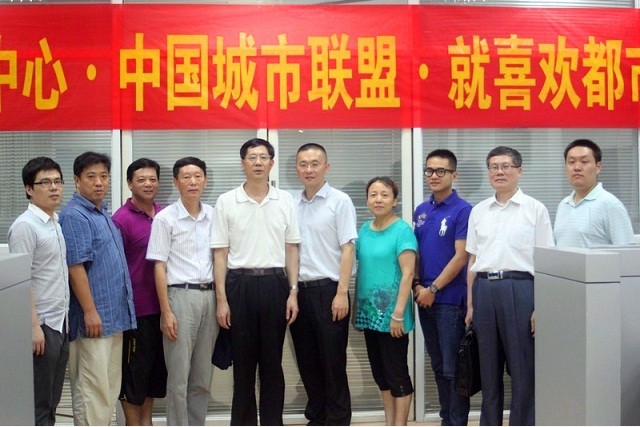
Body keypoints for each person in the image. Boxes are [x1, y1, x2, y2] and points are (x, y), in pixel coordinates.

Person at [211, 137, 300, 426]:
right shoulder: (226, 201)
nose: (258, 162)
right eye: (252, 157)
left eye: (263, 157)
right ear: (243, 163)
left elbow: (291, 249)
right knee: (243, 365)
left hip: (275, 284)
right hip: (239, 286)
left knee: (273, 363)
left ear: (272, 163)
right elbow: (220, 254)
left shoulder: (285, 200)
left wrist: (293, 292)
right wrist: (222, 300)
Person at [465, 146, 554, 426]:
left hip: (521, 288)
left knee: (522, 368)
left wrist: (541, 306)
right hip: (484, 290)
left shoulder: (535, 209)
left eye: (505, 166)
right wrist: (470, 305)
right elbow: (473, 259)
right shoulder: (478, 211)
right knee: (487, 369)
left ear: (519, 171)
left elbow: (546, 261)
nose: (499, 172)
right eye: (493, 167)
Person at [59, 151, 136, 426]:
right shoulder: (75, 216)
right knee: (92, 391)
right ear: (77, 180)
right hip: (93, 320)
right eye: (91, 177)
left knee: (108, 390)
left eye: (104, 176)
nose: (99, 182)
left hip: (113, 318)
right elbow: (75, 267)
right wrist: (90, 312)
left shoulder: (102, 213)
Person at [146, 157, 217, 426]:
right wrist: (166, 312)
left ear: (205, 180)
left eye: (198, 176)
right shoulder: (165, 218)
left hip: (210, 297)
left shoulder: (214, 216)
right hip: (180, 298)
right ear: (176, 182)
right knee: (178, 377)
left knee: (202, 377)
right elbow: (159, 266)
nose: (193, 182)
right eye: (186, 177)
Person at [290, 143, 357, 426]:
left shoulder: (339, 201)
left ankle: (338, 419)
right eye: (303, 164)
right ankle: (317, 417)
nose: (309, 169)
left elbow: (348, 249)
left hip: (330, 291)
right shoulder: (291, 203)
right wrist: (292, 292)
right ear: (296, 168)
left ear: (326, 167)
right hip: (299, 292)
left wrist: (342, 292)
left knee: (332, 362)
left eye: (315, 164)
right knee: (307, 361)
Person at [8, 157, 69, 426]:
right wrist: (33, 327)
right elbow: (22, 280)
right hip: (42, 324)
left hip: (59, 321)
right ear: (29, 189)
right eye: (45, 182)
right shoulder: (25, 226)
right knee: (39, 404)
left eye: (57, 181)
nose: (53, 188)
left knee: (52, 399)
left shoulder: (54, 221)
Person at [413, 149, 472, 426]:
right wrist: (417, 286)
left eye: (441, 171)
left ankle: (456, 422)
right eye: (429, 170)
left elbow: (461, 256)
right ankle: (446, 419)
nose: (434, 176)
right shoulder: (421, 211)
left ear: (454, 175)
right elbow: (416, 252)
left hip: (448, 300)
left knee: (453, 369)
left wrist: (433, 289)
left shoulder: (463, 210)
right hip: (424, 299)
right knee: (437, 366)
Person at [354, 176, 417, 427]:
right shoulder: (364, 230)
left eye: (384, 195)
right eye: (373, 195)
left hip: (393, 316)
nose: (378, 199)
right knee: (381, 376)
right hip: (370, 315)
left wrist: (398, 313)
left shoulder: (402, 230)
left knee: (397, 374)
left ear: (394, 201)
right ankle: (389, 423)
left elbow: (408, 274)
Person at [113, 158, 167, 426]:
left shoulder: (165, 213)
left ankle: (147, 422)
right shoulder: (120, 219)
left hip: (165, 308)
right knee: (134, 374)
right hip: (136, 311)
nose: (148, 184)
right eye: (141, 180)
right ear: (129, 183)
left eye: (153, 179)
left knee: (153, 373)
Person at [554, 138, 635, 247]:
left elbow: (627, 252)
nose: (577, 167)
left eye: (584, 161)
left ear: (598, 167)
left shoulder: (611, 205)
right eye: (571, 162)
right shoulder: (563, 205)